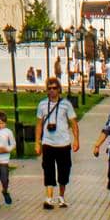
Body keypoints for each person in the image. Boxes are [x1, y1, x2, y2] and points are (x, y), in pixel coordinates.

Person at [35, 77, 80, 209]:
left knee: (64, 171)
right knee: (48, 170)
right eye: (49, 88)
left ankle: (61, 196)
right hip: (48, 143)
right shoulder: (42, 104)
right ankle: (48, 198)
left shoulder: (66, 104)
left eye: (54, 88)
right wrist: (37, 142)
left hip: (63, 143)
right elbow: (38, 124)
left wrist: (76, 139)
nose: (52, 91)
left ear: (59, 89)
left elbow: (73, 123)